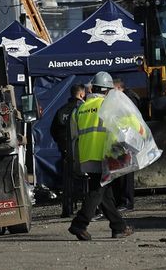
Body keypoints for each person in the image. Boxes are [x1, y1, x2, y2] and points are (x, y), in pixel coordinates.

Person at [67, 71, 134, 241]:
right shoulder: (109, 105)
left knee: (105, 193)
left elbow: (74, 136)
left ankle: (118, 227)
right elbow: (128, 124)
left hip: (86, 155)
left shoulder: (80, 108)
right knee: (97, 191)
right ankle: (79, 224)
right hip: (104, 156)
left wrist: (76, 161)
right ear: (106, 90)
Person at [51, 84, 87, 217]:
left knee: (68, 182)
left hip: (66, 152)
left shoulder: (61, 111)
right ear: (82, 94)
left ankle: (67, 209)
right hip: (84, 151)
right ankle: (92, 209)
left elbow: (53, 131)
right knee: (88, 182)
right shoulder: (84, 109)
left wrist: (63, 146)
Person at [111, 78, 141, 212]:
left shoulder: (128, 100)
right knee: (121, 172)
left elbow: (129, 119)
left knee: (126, 173)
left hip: (126, 139)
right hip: (122, 138)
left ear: (118, 88)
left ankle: (126, 202)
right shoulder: (126, 99)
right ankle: (122, 201)